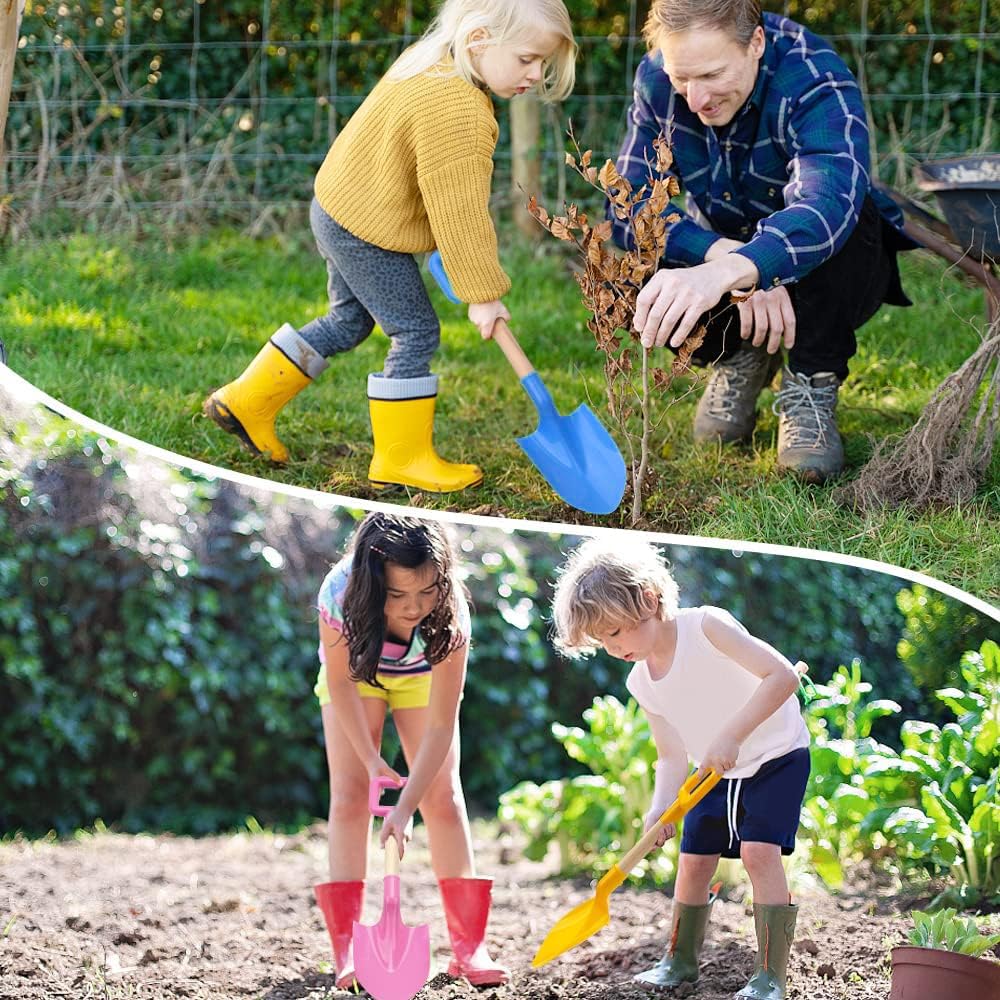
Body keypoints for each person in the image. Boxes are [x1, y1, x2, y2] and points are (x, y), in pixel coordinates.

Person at [203, 0, 576, 493]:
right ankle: (401, 457)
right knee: (416, 332)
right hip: (365, 230)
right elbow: (459, 212)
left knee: (349, 320)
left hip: (339, 208)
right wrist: (482, 293)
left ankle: (246, 402)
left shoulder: (430, 60)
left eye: (543, 64)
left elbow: (411, 166)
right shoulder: (458, 109)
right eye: (527, 58)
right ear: (479, 40)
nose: (535, 73)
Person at [610, 0, 914, 483]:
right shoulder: (656, 81)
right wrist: (723, 257)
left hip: (833, 268)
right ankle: (740, 354)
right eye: (681, 78)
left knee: (851, 217)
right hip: (725, 245)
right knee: (638, 262)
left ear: (755, 44)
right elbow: (630, 206)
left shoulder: (812, 76)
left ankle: (811, 379)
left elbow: (825, 205)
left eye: (711, 75)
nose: (695, 99)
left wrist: (749, 266)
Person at [551, 536, 810, 1000]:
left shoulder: (707, 628)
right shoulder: (641, 681)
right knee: (691, 863)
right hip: (712, 773)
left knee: (757, 854)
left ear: (648, 599)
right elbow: (670, 753)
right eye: (601, 640)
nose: (611, 647)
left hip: (777, 756)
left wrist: (731, 734)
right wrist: (659, 809)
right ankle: (680, 959)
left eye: (614, 632)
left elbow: (783, 677)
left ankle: (770, 976)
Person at [312, 511, 508, 988]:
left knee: (443, 798)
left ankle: (468, 948)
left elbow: (442, 724)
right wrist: (371, 758)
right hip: (359, 678)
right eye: (397, 595)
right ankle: (349, 951)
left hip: (420, 679)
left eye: (426, 592)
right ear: (373, 583)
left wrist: (405, 807)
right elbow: (339, 683)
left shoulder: (452, 612)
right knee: (351, 796)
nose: (413, 607)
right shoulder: (339, 592)